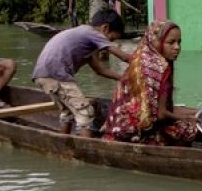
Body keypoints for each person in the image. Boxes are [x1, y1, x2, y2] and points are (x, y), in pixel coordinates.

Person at [32, 8, 131, 137]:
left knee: (67, 113)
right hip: (56, 74)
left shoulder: (83, 37)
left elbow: (100, 70)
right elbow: (124, 57)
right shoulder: (92, 33)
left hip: (43, 75)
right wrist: (145, 60)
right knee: (86, 113)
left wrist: (124, 78)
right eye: (111, 39)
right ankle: (87, 151)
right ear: (105, 28)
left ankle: (63, 143)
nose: (109, 43)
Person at [102, 19, 198, 145]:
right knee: (191, 130)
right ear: (157, 42)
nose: (177, 47)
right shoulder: (160, 68)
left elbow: (159, 107)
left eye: (179, 42)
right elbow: (161, 115)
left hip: (116, 126)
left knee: (187, 115)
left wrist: (195, 112)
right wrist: (187, 118)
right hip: (136, 133)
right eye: (171, 42)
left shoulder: (140, 59)